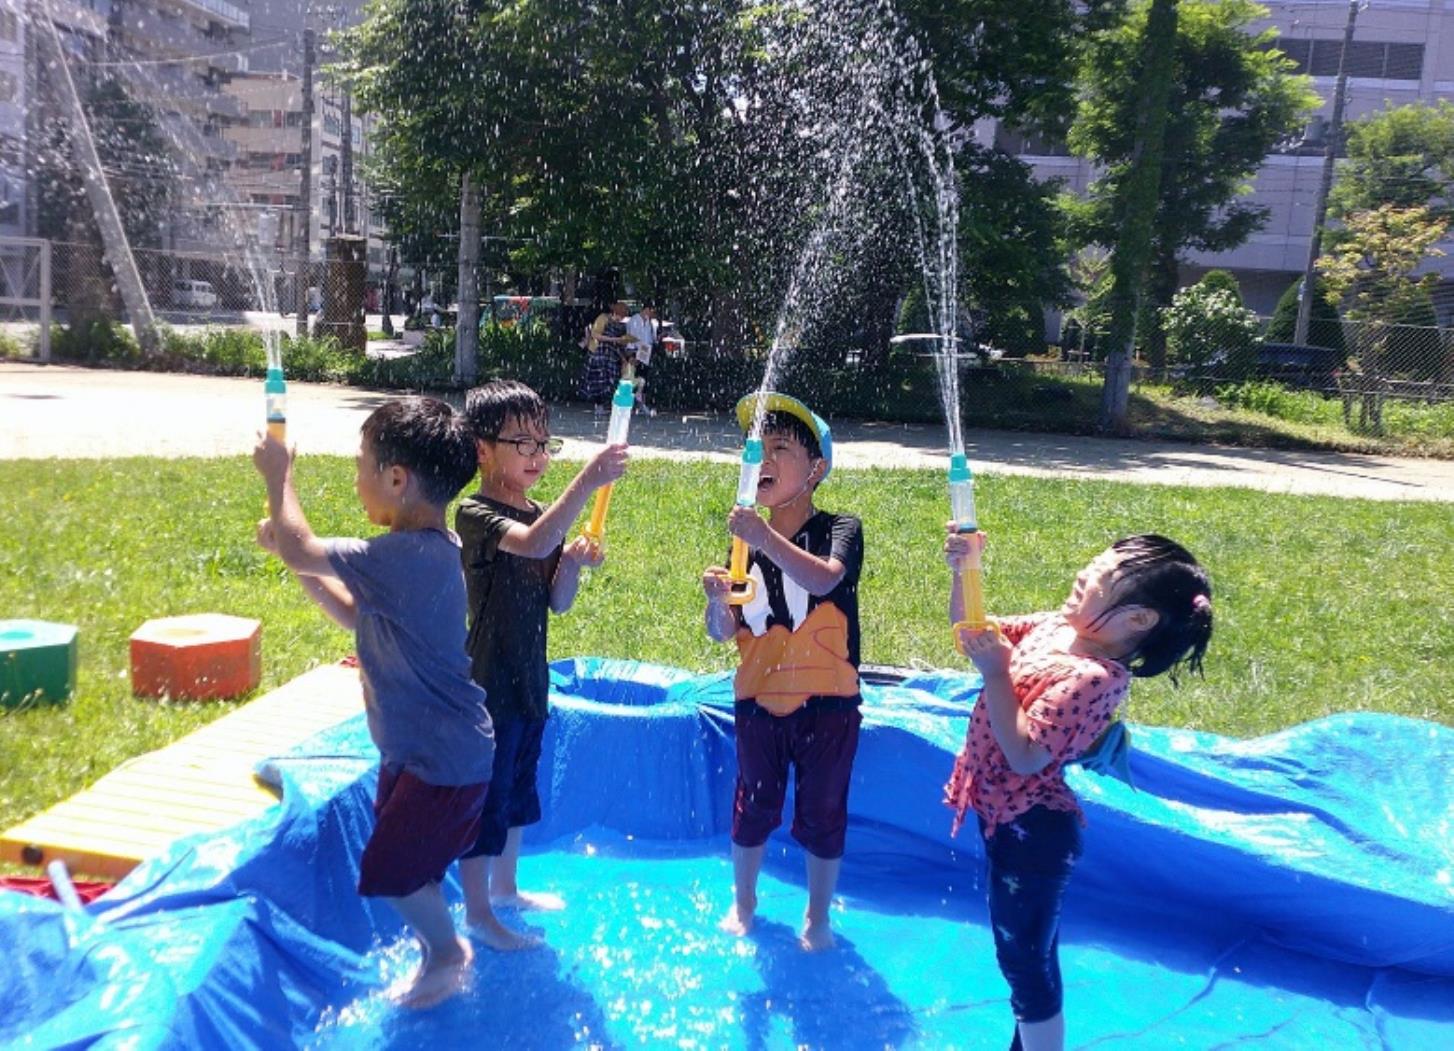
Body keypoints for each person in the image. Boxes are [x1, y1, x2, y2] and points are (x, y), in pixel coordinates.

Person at [251, 397, 493, 1010]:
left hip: (443, 760)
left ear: (396, 478)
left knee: (391, 872)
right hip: (422, 754)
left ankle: (447, 952)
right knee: (410, 866)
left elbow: (303, 543)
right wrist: (292, 554)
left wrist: (281, 479)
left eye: (362, 465)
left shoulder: (411, 557)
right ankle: (438, 947)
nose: (357, 480)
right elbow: (351, 613)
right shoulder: (416, 555)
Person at [943, 533, 1213, 1051]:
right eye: (1093, 565)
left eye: (1102, 580)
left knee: (1024, 966)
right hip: (1006, 821)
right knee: (1028, 954)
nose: (1084, 577)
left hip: (1033, 836)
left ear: (1140, 620)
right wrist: (967, 570)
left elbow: (1024, 755)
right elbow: (974, 633)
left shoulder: (1094, 678)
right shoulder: (1055, 629)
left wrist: (997, 673)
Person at [456, 380, 629, 948]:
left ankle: (506, 890)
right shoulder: (477, 514)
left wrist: (574, 561)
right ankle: (478, 912)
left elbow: (557, 599)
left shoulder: (538, 514)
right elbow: (530, 544)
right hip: (488, 687)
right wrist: (590, 479)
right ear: (482, 450)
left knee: (515, 793)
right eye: (521, 443)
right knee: (485, 801)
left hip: (529, 681)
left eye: (543, 443)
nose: (536, 455)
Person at [701, 392, 863, 952]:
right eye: (757, 450)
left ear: (815, 470)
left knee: (822, 808)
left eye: (780, 450)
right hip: (759, 701)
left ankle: (817, 918)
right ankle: (743, 905)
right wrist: (717, 602)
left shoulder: (840, 527)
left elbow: (824, 581)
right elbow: (724, 633)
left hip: (829, 702)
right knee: (753, 804)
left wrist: (761, 537)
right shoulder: (745, 544)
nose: (763, 462)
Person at [580, 301, 639, 418]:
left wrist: (624, 352)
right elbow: (595, 335)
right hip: (600, 353)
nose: (620, 319)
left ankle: (607, 405)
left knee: (611, 380)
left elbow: (621, 343)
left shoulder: (621, 325)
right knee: (599, 381)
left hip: (612, 355)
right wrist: (613, 339)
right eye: (620, 316)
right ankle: (599, 405)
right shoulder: (603, 319)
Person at [624, 303, 659, 416]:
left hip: (645, 352)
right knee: (632, 379)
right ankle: (628, 404)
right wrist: (633, 355)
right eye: (651, 311)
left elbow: (650, 339)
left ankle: (640, 404)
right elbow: (632, 339)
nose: (652, 314)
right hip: (635, 351)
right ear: (646, 309)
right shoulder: (634, 320)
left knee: (643, 379)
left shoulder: (650, 323)